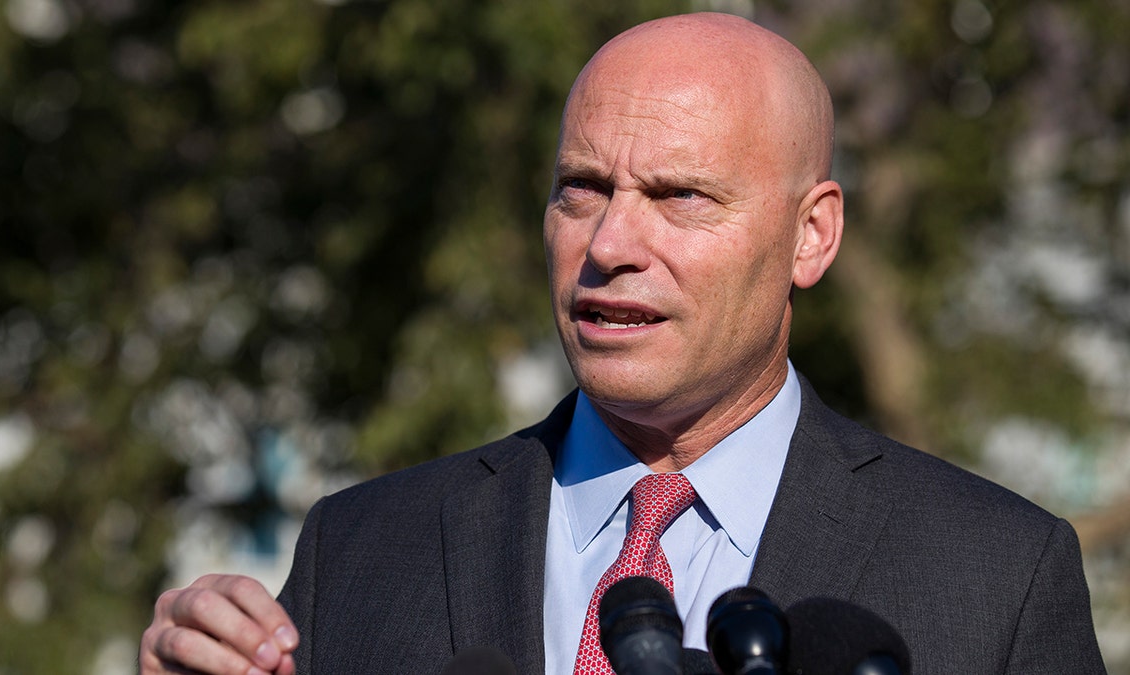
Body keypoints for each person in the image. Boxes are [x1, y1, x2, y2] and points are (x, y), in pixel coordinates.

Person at [139, 12, 1106, 675]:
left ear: (811, 236)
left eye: (680, 196)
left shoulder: (995, 578)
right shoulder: (360, 550)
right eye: (583, 188)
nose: (609, 246)